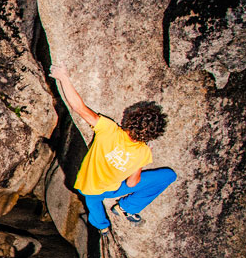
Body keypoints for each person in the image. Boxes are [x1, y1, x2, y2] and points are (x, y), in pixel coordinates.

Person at [48, 65, 175, 233]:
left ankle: (102, 227)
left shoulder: (109, 130)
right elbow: (132, 182)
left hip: (88, 187)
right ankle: (127, 208)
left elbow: (79, 108)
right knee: (168, 176)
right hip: (113, 189)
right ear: (153, 135)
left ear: (130, 119)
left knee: (94, 207)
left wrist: (63, 78)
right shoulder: (143, 153)